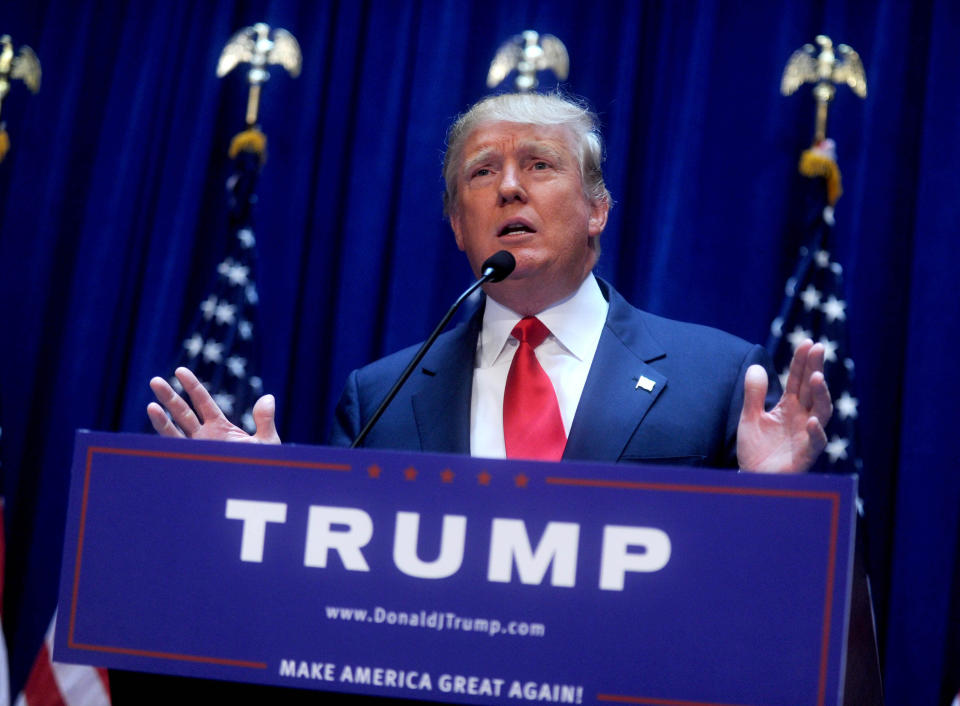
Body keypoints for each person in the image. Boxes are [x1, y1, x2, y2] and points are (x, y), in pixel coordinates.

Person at [148, 92, 832, 473]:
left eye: (538, 165)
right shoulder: (379, 399)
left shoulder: (715, 378)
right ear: (456, 226)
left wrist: (771, 499)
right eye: (482, 173)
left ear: (598, 210)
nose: (508, 187)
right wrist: (273, 503)